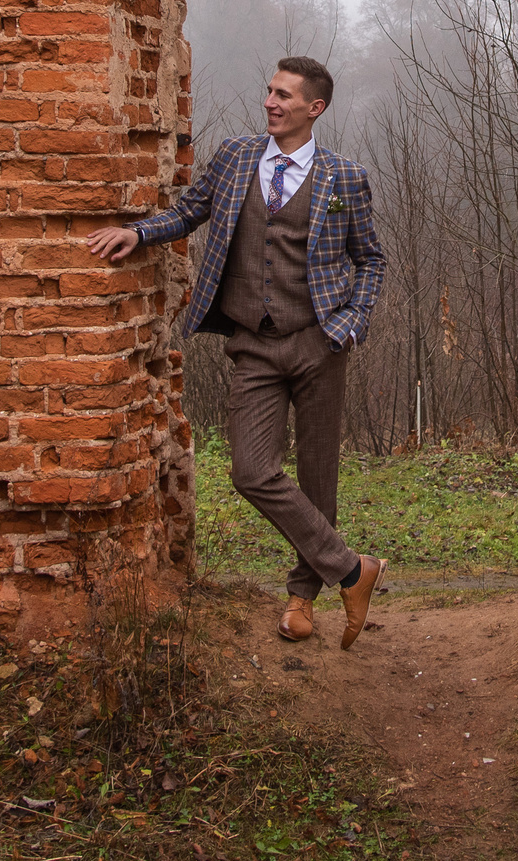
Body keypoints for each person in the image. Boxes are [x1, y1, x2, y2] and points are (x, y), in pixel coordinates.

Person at [85, 56, 388, 648]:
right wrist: (139, 232)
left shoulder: (344, 178)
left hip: (320, 343)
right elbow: (189, 211)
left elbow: (371, 259)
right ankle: (354, 570)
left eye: (284, 96)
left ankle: (302, 600)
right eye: (269, 91)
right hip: (253, 342)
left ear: (314, 108)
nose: (271, 102)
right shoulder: (233, 158)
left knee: (317, 478)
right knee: (252, 471)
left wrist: (350, 322)